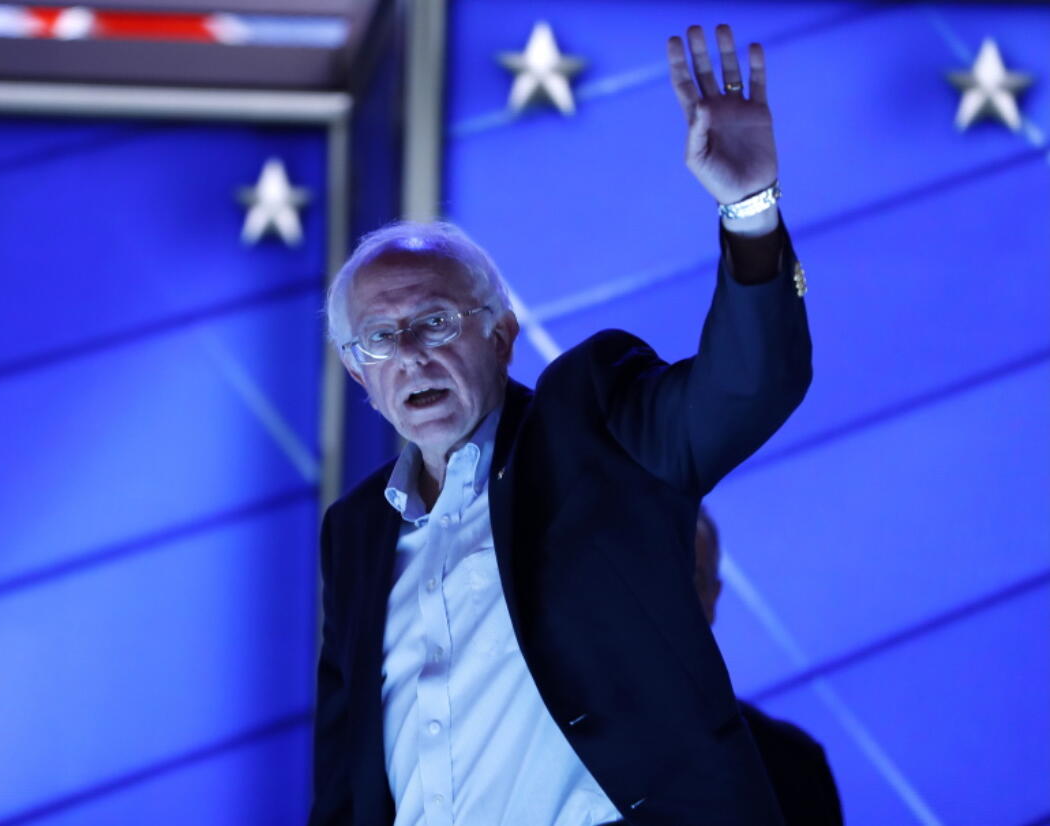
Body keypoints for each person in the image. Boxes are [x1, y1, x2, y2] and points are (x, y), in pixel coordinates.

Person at [311, 24, 812, 826]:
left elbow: (748, 389)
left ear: (501, 334)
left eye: (436, 322)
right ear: (356, 371)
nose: (409, 354)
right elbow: (347, 762)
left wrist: (749, 211)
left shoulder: (593, 421)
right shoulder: (354, 530)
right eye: (379, 338)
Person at [695, 509, 845, 825]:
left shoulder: (793, 762)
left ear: (713, 597)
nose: (671, 601)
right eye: (657, 580)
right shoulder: (573, 760)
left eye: (691, 580)